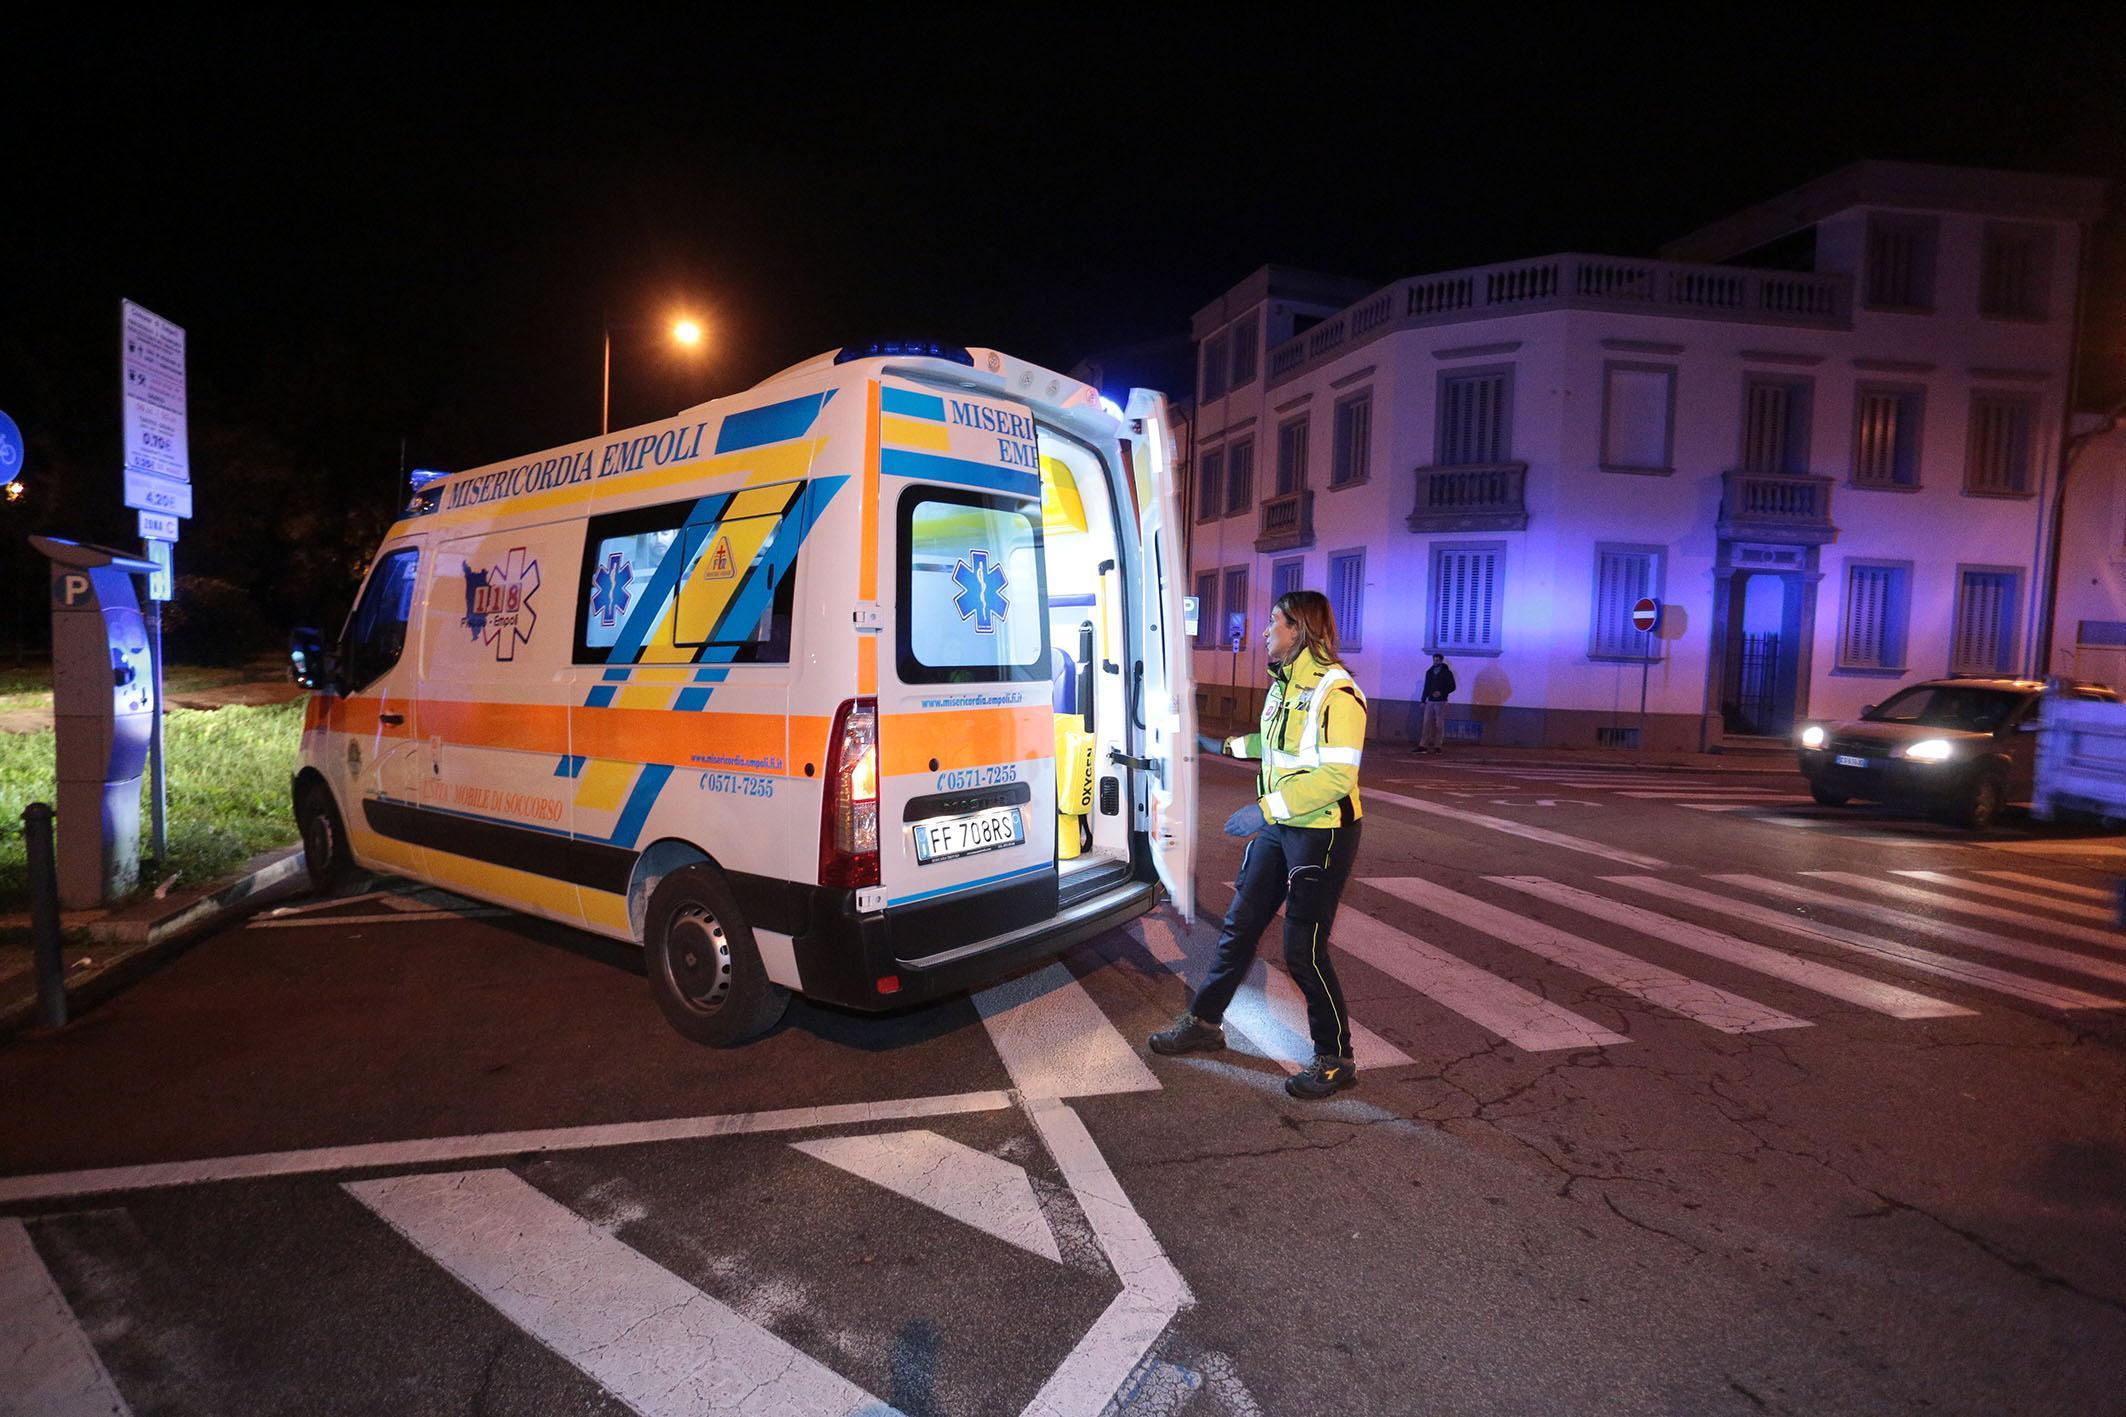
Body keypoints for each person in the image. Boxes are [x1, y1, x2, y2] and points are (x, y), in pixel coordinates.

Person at [1152, 590, 1368, 1099]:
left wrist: (1264, 810)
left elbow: (1337, 777)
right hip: (1283, 826)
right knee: (1240, 928)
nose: (1265, 631)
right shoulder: (1284, 684)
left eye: (1274, 622)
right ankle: (1205, 1024)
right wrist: (1220, 744)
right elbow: (1272, 745)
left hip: (1322, 833)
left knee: (1303, 949)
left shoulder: (1338, 692)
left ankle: (1336, 1058)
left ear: (1299, 628)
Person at [1416, 653, 1455, 753]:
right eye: (1434, 660)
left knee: (1439, 724)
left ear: (1441, 661)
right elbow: (1426, 686)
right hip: (1430, 700)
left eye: (1437, 660)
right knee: (1426, 723)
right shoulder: (1429, 672)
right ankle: (1423, 745)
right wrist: (1423, 700)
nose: (1435, 662)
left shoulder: (1447, 673)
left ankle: (1438, 746)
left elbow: (1452, 686)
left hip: (1441, 701)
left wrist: (1442, 692)